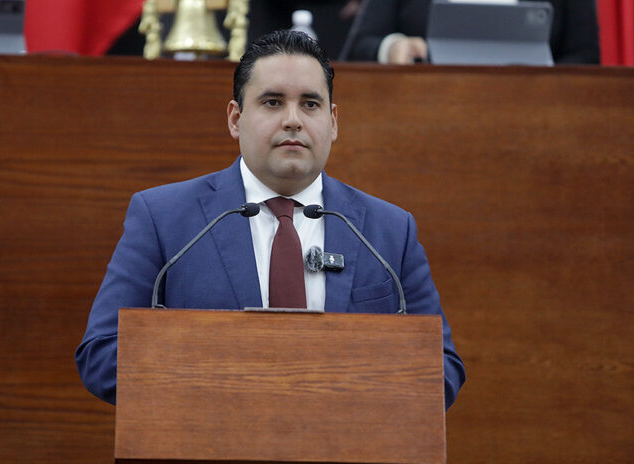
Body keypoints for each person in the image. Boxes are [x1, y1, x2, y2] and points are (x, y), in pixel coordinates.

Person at [76, 30, 465, 408]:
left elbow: (441, 368)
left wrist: (342, 388)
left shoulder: (389, 231)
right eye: (273, 102)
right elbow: (103, 353)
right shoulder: (165, 218)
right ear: (235, 118)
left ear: (332, 122)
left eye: (310, 104)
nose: (293, 120)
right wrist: (238, 380)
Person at [348, 0, 600, 64]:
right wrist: (391, 48)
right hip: (422, 120)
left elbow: (585, 57)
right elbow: (357, 48)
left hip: (539, 123)